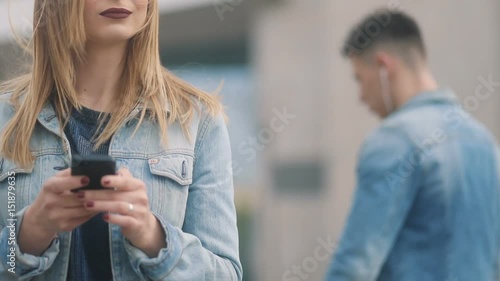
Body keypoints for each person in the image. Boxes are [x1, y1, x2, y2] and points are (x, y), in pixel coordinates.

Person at [0, 0, 242, 280]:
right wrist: (29, 234)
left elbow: (226, 275)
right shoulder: (5, 121)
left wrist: (152, 236)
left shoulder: (198, 122)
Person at [326, 10, 500, 281]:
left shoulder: (394, 140)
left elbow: (356, 265)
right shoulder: (485, 144)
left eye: (360, 79)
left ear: (384, 66)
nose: (361, 96)